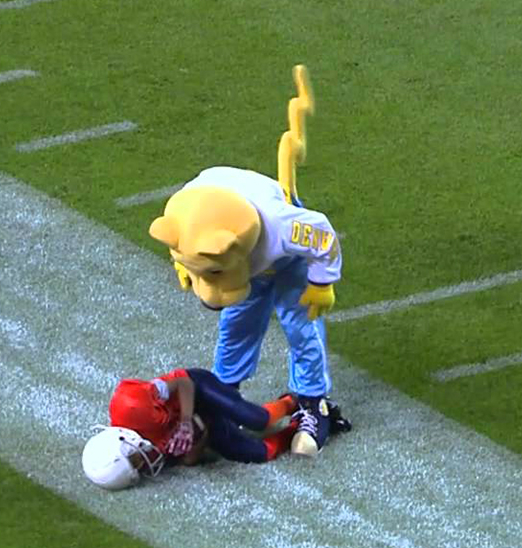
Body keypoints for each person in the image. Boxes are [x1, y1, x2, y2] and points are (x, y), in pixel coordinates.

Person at [148, 166, 343, 457]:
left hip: (289, 260)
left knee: (300, 325)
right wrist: (185, 264)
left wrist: (321, 282)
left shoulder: (281, 225)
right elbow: (180, 237)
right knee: (236, 325)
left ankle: (314, 403)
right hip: (239, 265)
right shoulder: (188, 214)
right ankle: (223, 396)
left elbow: (323, 236)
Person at [81, 367, 324, 490]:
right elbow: (191, 458)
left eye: (134, 462)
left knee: (257, 419)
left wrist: (186, 422)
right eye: (137, 469)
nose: (142, 465)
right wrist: (200, 432)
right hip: (200, 420)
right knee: (259, 453)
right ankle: (299, 424)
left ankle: (294, 401)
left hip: (195, 389)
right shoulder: (148, 454)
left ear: (122, 441)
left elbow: (183, 383)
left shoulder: (131, 406)